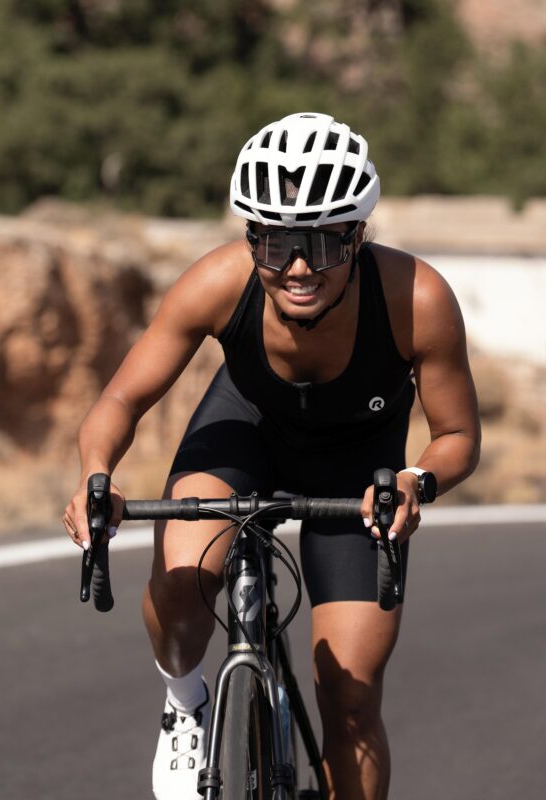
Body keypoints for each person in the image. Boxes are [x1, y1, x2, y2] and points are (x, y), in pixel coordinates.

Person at [63, 112, 481, 800]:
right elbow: (121, 399)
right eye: (277, 243)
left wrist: (416, 481)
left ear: (359, 235)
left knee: (351, 699)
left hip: (359, 469)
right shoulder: (217, 282)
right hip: (244, 432)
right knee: (183, 577)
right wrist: (95, 478)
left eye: (323, 244)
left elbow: (459, 434)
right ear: (251, 236)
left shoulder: (417, 298)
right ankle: (184, 703)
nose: (298, 268)